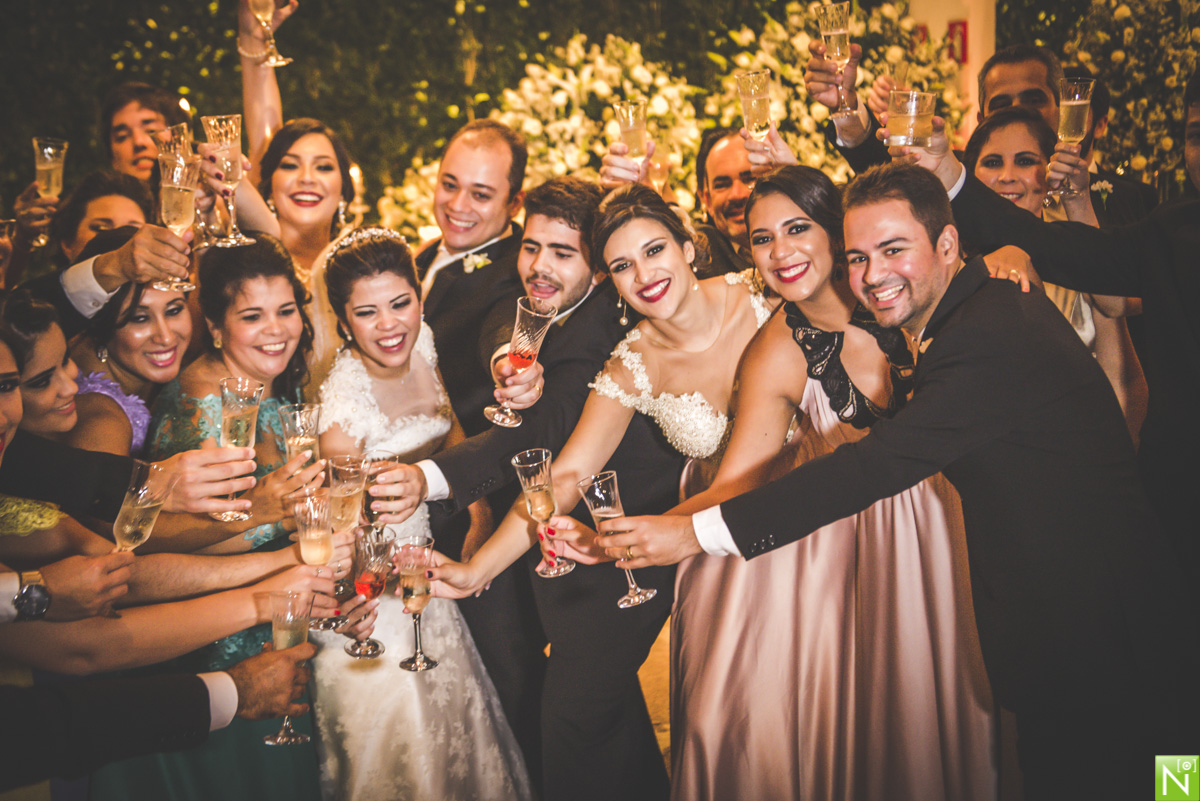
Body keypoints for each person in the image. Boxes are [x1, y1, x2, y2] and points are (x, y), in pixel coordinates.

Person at [593, 162, 1196, 800]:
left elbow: (872, 467)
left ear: (948, 246)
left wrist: (695, 536)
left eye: (894, 250)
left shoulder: (986, 334)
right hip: (1078, 626)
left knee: (1159, 780)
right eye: (859, 256)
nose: (874, 274)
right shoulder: (965, 314)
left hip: (1107, 637)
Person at [615, 165, 991, 800]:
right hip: (867, 543)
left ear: (836, 231)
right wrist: (659, 531)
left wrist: (1010, 255)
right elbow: (739, 478)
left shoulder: (909, 287)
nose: (780, 252)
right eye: (762, 239)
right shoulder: (777, 349)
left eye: (797, 229)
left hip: (960, 520)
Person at [428, 182, 771, 800]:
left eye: (654, 250)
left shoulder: (765, 293)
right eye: (621, 265)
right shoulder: (630, 362)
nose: (643, 274)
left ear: (689, 247)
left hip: (822, 523)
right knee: (742, 717)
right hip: (719, 545)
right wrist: (478, 566)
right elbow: (566, 475)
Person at [369, 177, 681, 796]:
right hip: (544, 530)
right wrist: (503, 359)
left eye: (562, 253)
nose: (539, 266)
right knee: (595, 715)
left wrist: (427, 479)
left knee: (574, 718)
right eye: (532, 246)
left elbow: (541, 434)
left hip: (619, 542)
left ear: (598, 269)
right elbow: (501, 313)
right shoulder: (533, 294)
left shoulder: (602, 332)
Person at [918, 73, 1200, 619]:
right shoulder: (1175, 231)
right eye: (1195, 134)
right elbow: (1059, 248)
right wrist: (949, 172)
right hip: (1180, 502)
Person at [88, 234, 328, 801]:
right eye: (253, 316)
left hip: (273, 642)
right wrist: (270, 522)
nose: (277, 329)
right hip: (216, 658)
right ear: (217, 328)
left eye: (286, 310)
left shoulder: (270, 396)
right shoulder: (203, 405)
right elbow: (155, 547)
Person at [308, 226, 531, 801]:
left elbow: (451, 431)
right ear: (342, 321)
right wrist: (367, 589)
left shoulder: (424, 343)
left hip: (432, 569)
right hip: (378, 585)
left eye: (401, 303)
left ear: (419, 298)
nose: (390, 326)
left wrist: (479, 512)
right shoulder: (341, 412)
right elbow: (345, 527)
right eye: (367, 313)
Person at [963, 106, 1147, 439]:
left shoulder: (1076, 258)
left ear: (1050, 175)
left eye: (1024, 160)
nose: (1007, 175)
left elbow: (1123, 379)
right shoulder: (950, 259)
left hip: (1079, 444)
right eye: (992, 162)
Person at [415, 119, 528, 437]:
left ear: (514, 203)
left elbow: (504, 326)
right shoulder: (424, 253)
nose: (457, 205)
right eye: (449, 185)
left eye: (480, 195)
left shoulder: (516, 271)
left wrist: (505, 361)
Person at [601, 126, 755, 278]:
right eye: (722, 185)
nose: (736, 195)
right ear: (706, 200)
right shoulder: (700, 252)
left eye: (750, 179)